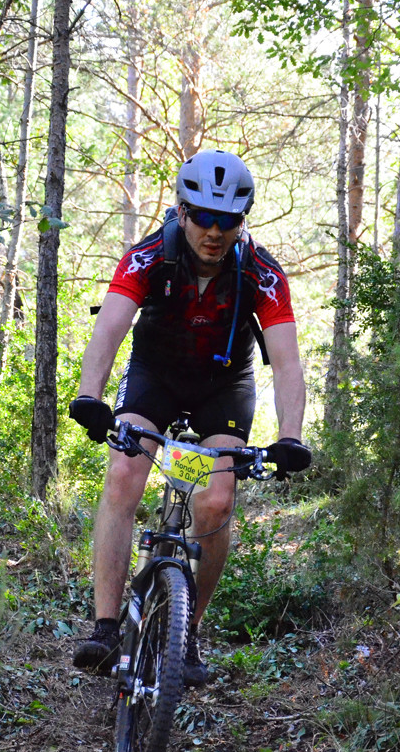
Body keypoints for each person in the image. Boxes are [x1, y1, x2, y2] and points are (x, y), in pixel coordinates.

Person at [69, 148, 311, 685]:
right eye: (203, 216)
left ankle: (187, 632)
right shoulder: (149, 255)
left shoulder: (262, 273)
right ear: (181, 211)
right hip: (156, 375)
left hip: (222, 386)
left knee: (216, 498)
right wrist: (91, 395)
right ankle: (107, 627)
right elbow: (109, 326)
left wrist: (291, 435)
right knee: (124, 473)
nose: (214, 231)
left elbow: (289, 360)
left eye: (228, 221)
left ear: (241, 222)